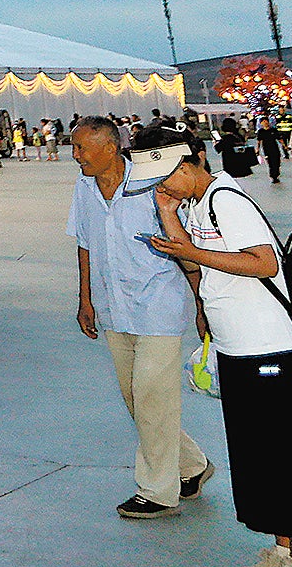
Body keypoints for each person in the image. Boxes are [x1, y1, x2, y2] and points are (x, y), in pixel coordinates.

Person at [137, 129, 292, 567]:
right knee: (264, 460)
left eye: (167, 177)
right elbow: (196, 267)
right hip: (239, 349)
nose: (164, 186)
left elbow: (263, 263)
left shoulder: (226, 199)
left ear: (192, 162)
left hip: (269, 350)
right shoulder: (196, 205)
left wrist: (192, 250)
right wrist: (168, 214)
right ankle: (285, 553)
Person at [67, 116, 211, 519]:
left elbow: (184, 248)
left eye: (81, 148)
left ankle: (158, 491)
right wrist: (85, 299)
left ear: (110, 148)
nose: (75, 155)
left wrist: (202, 306)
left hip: (158, 307)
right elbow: (84, 243)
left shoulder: (152, 183)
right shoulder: (83, 187)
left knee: (151, 398)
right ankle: (192, 466)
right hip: (114, 306)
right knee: (138, 399)